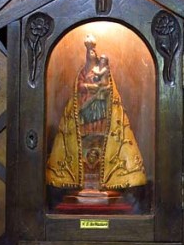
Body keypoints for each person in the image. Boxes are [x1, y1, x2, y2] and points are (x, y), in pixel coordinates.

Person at [46, 35, 146, 194]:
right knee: (83, 140)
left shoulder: (103, 71)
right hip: (84, 113)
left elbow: (106, 88)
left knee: (100, 137)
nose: (91, 54)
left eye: (93, 52)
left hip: (100, 113)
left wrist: (97, 90)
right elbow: (80, 87)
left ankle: (106, 179)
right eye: (89, 52)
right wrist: (91, 88)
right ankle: (80, 179)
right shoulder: (83, 72)